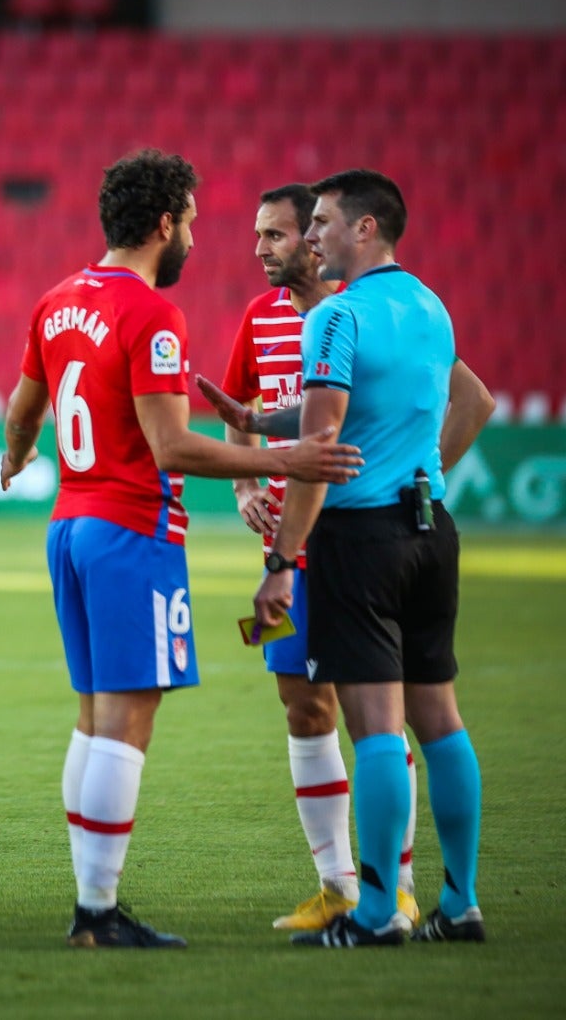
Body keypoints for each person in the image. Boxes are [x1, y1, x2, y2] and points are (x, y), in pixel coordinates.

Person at [0, 149, 363, 948]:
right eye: (192, 221)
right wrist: (280, 459)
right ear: (164, 224)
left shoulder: (58, 300)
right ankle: (96, 912)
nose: (199, 238)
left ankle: (95, 904)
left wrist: (16, 457)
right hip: (132, 531)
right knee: (127, 722)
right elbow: (172, 448)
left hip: (71, 524)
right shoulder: (152, 313)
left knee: (95, 719)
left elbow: (23, 410)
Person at [253, 170, 489, 948]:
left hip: (360, 541)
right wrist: (257, 415)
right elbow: (403, 403)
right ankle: (459, 903)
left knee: (379, 729)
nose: (311, 236)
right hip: (431, 530)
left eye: (321, 222)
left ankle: (380, 910)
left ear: (366, 230)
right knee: (443, 723)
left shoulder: (335, 316)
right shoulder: (431, 307)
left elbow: (321, 449)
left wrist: (283, 559)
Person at [214, 184, 422, 932]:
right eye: (258, 234)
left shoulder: (364, 312)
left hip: (359, 542)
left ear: (315, 239)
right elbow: (236, 412)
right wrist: (244, 487)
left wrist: (413, 485)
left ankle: (392, 887)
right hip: (286, 547)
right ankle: (336, 886)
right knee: (301, 704)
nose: (258, 248)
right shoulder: (259, 317)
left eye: (273, 235)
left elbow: (467, 399)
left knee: (377, 714)